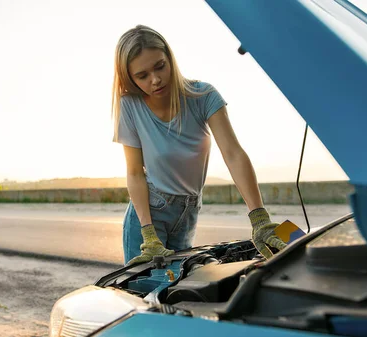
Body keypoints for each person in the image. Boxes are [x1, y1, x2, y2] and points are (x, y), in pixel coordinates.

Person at [112, 25, 286, 266]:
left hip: (188, 211)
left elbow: (233, 154)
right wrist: (148, 233)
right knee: (142, 294)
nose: (155, 79)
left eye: (160, 66)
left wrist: (259, 218)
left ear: (170, 58)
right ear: (130, 78)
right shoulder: (130, 105)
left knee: (178, 291)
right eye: (142, 76)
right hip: (148, 217)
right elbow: (134, 172)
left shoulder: (203, 96)